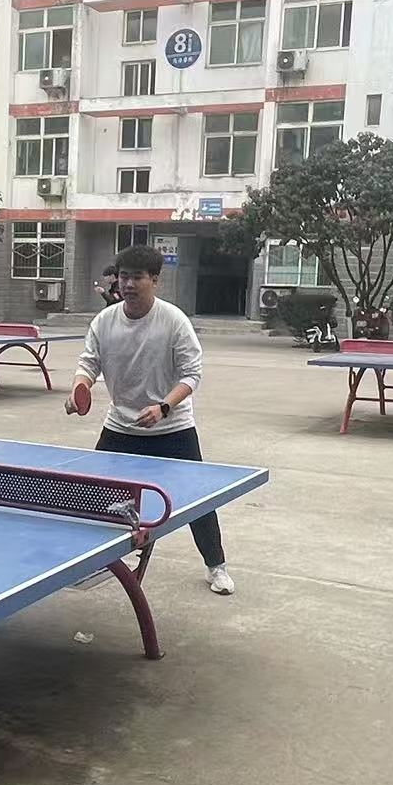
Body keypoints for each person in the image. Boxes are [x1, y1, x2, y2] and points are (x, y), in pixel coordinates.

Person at [66, 244, 234, 595]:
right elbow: (89, 363)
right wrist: (79, 387)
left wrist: (163, 407)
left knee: (198, 501)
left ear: (155, 280)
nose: (128, 284)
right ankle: (91, 560)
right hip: (121, 427)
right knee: (92, 495)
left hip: (172, 428)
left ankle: (216, 566)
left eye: (137, 277)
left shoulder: (174, 321)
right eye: (123, 277)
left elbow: (191, 375)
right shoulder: (105, 321)